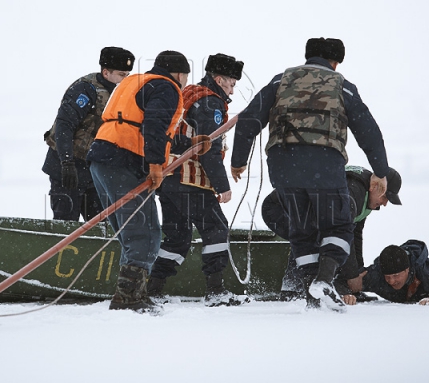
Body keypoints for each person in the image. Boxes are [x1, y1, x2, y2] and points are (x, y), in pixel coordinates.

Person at [231, 37, 391, 312]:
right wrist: (381, 171)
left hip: (282, 166)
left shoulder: (280, 80)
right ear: (336, 62)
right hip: (324, 165)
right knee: (339, 226)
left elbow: (247, 120)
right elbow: (369, 132)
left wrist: (237, 161)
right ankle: (325, 280)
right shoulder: (342, 86)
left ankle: (311, 294)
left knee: (302, 230)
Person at [87, 50, 211, 312]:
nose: (185, 82)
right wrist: (155, 166)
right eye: (186, 77)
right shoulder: (167, 87)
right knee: (145, 231)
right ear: (179, 73)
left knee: (129, 231)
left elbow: (141, 126)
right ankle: (128, 299)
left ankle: (132, 292)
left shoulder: (136, 83)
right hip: (125, 160)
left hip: (102, 157)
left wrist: (188, 143)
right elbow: (153, 127)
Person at [147, 54, 247, 306]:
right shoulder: (211, 103)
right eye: (231, 84)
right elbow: (209, 147)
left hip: (169, 177)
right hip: (190, 179)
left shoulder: (189, 94)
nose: (232, 90)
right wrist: (222, 186)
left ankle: (153, 287)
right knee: (216, 229)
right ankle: (215, 291)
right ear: (218, 79)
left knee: (178, 237)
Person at [261, 165, 402, 301]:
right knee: (315, 237)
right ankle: (292, 288)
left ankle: (310, 286)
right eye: (385, 197)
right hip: (278, 209)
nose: (385, 203)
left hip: (303, 213)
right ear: (375, 186)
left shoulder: (367, 198)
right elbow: (343, 235)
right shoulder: (352, 193)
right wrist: (351, 277)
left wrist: (357, 274)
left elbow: (355, 236)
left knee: (319, 233)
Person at [42, 47, 134, 222]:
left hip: (94, 169)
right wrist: (67, 162)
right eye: (122, 75)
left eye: (128, 75)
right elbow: (64, 125)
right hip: (66, 167)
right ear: (106, 72)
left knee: (102, 223)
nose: (125, 80)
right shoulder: (85, 90)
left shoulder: (121, 94)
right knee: (66, 222)